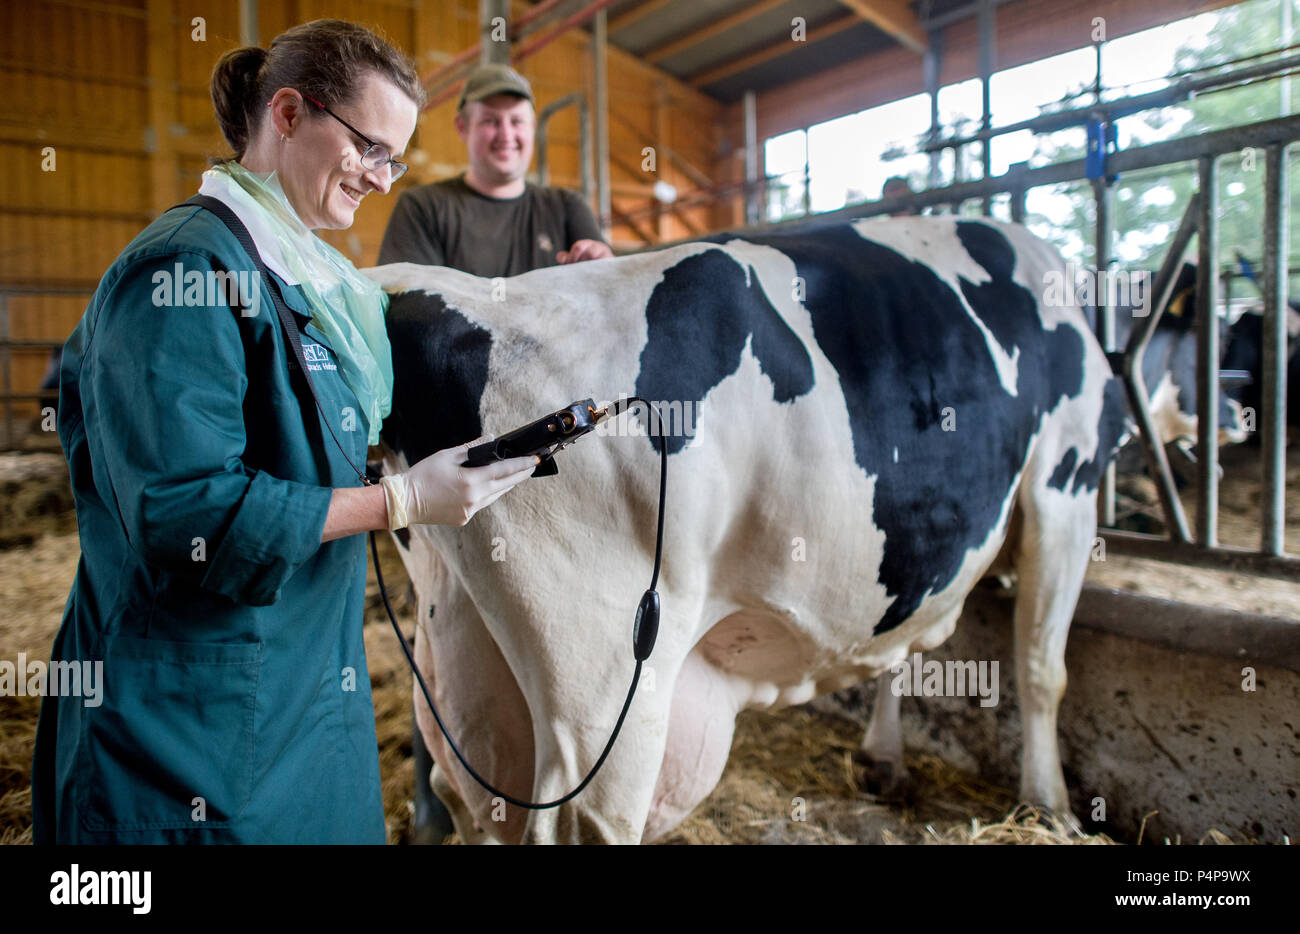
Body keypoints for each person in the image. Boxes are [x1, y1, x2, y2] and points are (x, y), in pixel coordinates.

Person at [29, 19, 540, 845]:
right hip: (185, 721)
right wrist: (400, 501)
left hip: (301, 689)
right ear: (292, 114)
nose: (380, 180)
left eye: (394, 160)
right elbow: (184, 511)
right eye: (370, 147)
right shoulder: (184, 271)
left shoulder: (309, 276)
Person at [377, 63, 613, 274]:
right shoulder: (423, 208)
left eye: (517, 121)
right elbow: (408, 305)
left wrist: (604, 264)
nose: (506, 135)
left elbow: (608, 290)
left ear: (532, 127)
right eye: (490, 121)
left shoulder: (567, 208)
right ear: (462, 127)